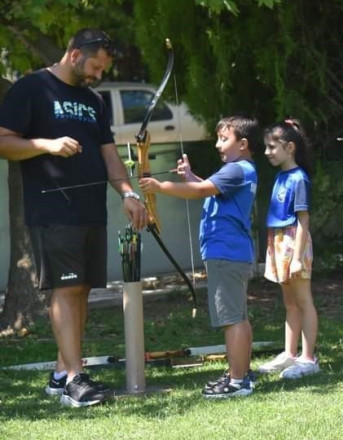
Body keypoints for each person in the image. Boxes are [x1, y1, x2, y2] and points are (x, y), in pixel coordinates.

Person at [0, 28, 147, 407]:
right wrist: (46, 144)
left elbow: (110, 156)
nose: (98, 75)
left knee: (81, 289)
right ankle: (75, 379)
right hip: (51, 209)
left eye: (102, 69)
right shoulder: (32, 88)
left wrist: (128, 193)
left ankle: (62, 373)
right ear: (75, 54)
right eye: (95, 66)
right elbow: (3, 141)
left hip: (90, 210)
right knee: (66, 289)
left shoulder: (94, 100)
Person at [140, 115, 259, 398]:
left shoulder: (236, 170)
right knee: (238, 316)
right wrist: (189, 177)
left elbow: (202, 191)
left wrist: (160, 187)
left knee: (232, 319)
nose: (218, 144)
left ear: (243, 144)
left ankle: (238, 381)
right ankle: (240, 373)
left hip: (226, 252)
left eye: (224, 139)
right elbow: (209, 189)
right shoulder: (240, 170)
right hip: (232, 253)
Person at [256, 119, 320, 379]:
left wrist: (296, 258)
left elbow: (303, 220)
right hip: (279, 240)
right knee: (290, 302)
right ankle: (289, 354)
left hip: (294, 242)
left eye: (272, 146)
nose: (267, 152)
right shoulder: (281, 176)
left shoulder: (299, 179)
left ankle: (308, 358)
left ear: (289, 147)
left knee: (303, 300)